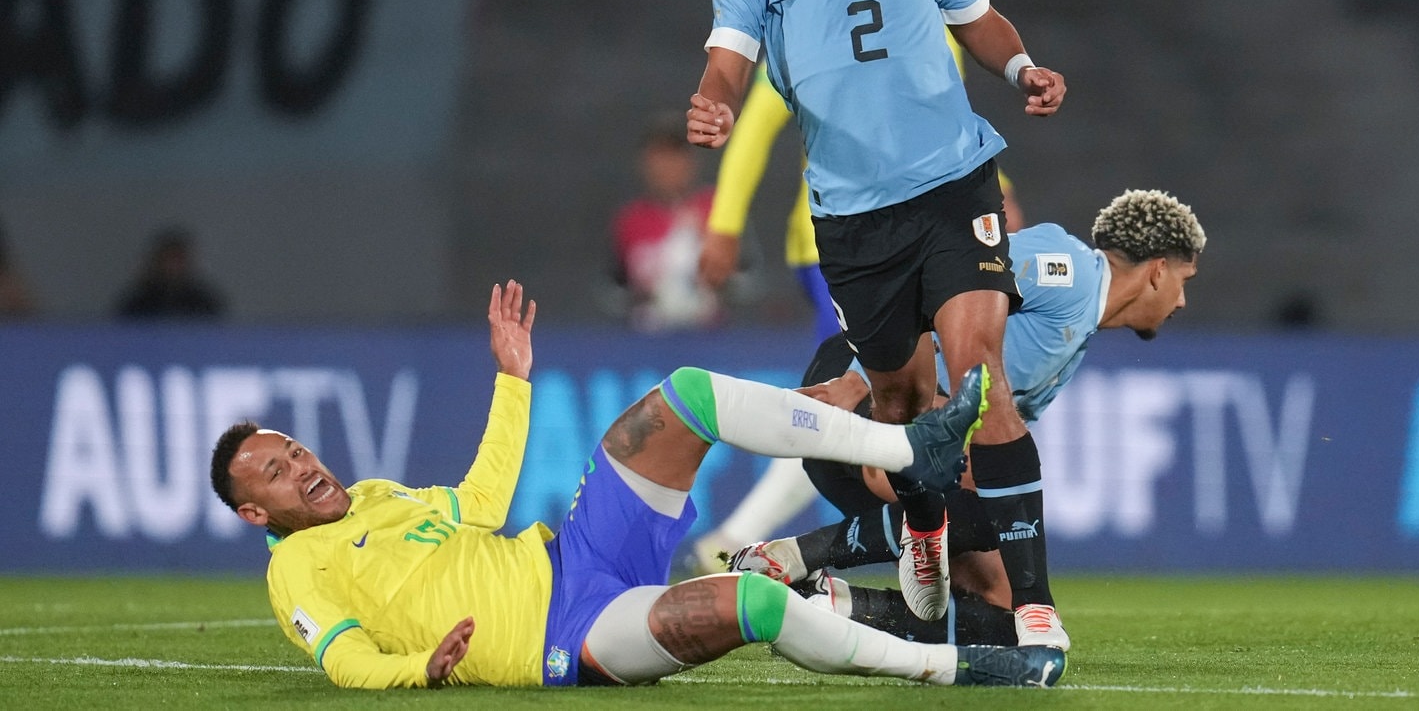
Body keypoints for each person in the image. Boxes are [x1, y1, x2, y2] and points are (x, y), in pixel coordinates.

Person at [209, 280, 1067, 689]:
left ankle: (905, 446)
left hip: (575, 554)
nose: (305, 467)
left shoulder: (376, 500)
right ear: (256, 513)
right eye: (279, 472)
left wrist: (514, 379)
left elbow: (481, 506)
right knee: (750, 605)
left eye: (295, 450)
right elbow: (343, 658)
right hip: (571, 632)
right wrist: (418, 675)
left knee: (685, 396)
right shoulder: (296, 573)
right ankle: (958, 667)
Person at [687, 0, 1068, 643]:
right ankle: (922, 526)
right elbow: (728, 62)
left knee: (979, 374)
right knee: (899, 404)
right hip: (854, 221)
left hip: (957, 185)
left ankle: (1034, 602)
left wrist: (1023, 66)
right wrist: (714, 104)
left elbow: (979, 19)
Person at [728, 189, 1207, 644]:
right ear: (1159, 271)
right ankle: (793, 555)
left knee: (1000, 612)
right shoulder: (1070, 269)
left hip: (903, 409)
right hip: (879, 380)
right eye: (1185, 283)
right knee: (1000, 506)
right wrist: (861, 379)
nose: (1183, 302)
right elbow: (940, 286)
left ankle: (827, 603)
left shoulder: (1077, 334)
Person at [689, 48, 1028, 574]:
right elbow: (755, 125)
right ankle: (739, 538)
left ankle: (760, 537)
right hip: (846, 243)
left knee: (896, 395)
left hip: (933, 233)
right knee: (855, 394)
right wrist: (724, 223)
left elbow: (946, 121)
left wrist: (994, 188)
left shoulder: (933, 20)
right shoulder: (813, 17)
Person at [610, 117, 729, 333]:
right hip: (648, 341)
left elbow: (750, 282)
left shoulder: (717, 209)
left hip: (711, 339)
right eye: (659, 156)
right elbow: (612, 289)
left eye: (675, 155)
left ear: (690, 161)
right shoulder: (630, 220)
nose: (667, 165)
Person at [115, 227, 226, 319]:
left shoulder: (203, 303)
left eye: (178, 260)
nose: (173, 266)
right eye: (168, 259)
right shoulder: (138, 303)